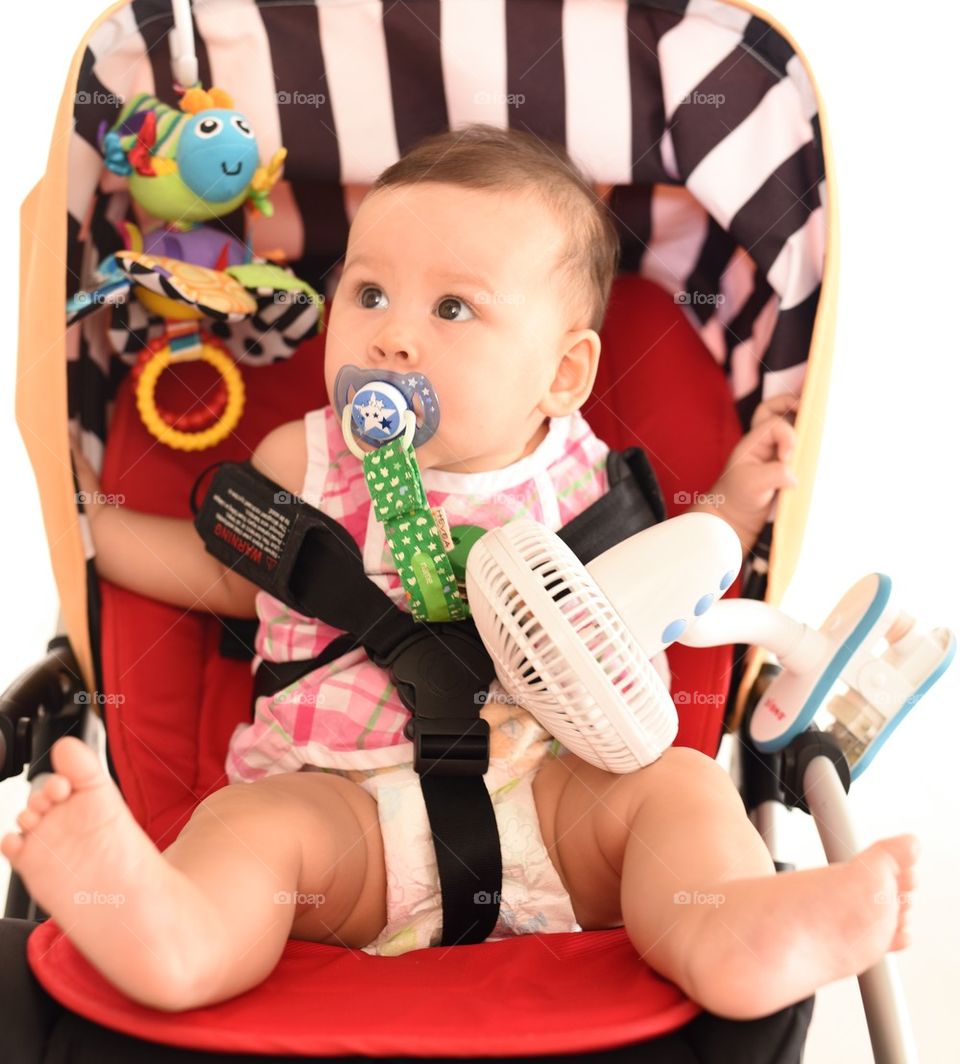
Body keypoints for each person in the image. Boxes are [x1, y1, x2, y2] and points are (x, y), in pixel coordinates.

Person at [1, 125, 915, 1019]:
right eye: (367, 293)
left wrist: (734, 505)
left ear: (562, 375)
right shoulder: (300, 463)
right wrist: (87, 512)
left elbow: (670, 577)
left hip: (556, 803)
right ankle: (177, 935)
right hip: (343, 813)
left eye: (452, 308)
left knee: (678, 792)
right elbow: (219, 576)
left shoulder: (583, 480)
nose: (393, 337)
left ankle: (736, 933)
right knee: (248, 833)